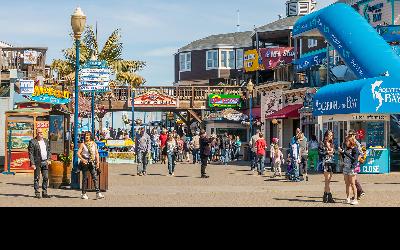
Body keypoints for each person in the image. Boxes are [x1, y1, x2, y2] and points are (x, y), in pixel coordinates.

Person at [77, 132, 105, 200]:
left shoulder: (94, 144)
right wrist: (83, 159)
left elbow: (96, 153)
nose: (87, 136)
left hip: (92, 162)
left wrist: (98, 162)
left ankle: (98, 193)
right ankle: (83, 193)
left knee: (94, 177)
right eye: (86, 135)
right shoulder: (82, 144)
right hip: (85, 162)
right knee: (85, 178)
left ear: (90, 136)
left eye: (88, 135)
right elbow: (78, 153)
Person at [28, 129, 52, 199]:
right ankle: (37, 192)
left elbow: (49, 150)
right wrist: (32, 163)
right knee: (37, 178)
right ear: (36, 133)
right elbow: (31, 153)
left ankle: (44, 192)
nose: (40, 134)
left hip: (45, 162)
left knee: (46, 177)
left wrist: (49, 159)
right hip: (37, 162)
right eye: (38, 132)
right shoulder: (32, 142)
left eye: (41, 132)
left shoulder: (46, 141)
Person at [339, 136, 360, 205]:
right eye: (346, 141)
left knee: (353, 184)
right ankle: (348, 198)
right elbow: (344, 157)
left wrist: (344, 152)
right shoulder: (347, 149)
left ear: (351, 142)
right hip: (346, 168)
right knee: (347, 184)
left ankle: (355, 199)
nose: (346, 142)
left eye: (347, 141)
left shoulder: (355, 149)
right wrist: (342, 153)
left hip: (352, 168)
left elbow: (354, 159)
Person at [347, 130, 366, 200]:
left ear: (354, 135)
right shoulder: (352, 141)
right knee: (353, 179)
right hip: (353, 162)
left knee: (353, 179)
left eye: (351, 135)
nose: (350, 136)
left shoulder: (356, 143)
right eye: (349, 135)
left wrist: (356, 161)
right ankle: (358, 194)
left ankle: (360, 191)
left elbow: (361, 153)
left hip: (355, 163)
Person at [319, 130, 336, 203]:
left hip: (331, 162)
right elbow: (320, 153)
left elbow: (334, 151)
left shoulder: (331, 143)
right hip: (325, 162)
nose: (331, 137)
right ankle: (329, 196)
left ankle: (325, 196)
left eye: (332, 135)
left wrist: (333, 152)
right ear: (326, 136)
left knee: (328, 181)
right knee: (327, 180)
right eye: (330, 135)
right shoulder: (322, 143)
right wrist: (327, 152)